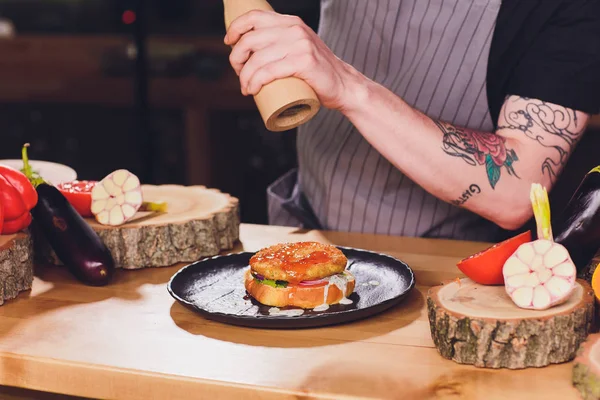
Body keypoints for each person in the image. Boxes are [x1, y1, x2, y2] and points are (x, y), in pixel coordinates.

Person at [224, 0, 600, 241]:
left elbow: (516, 192)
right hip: (305, 233)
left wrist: (348, 87)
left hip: (441, 279)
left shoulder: (569, 10)